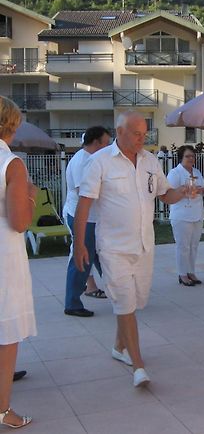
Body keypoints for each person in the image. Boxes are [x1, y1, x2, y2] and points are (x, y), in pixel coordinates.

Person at [73, 111, 185, 387]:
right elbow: (84, 205)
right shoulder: (99, 162)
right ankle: (138, 366)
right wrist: (78, 244)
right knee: (124, 303)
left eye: (144, 134)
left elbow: (164, 193)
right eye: (137, 134)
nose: (141, 139)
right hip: (113, 248)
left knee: (133, 302)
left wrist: (183, 192)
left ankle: (118, 347)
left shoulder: (149, 161)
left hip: (144, 245)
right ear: (119, 132)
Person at [0, 96, 36, 428]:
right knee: (5, 332)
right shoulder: (10, 164)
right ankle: (2, 410)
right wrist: (29, 195)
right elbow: (19, 222)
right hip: (3, 257)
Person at [63, 126, 111, 317]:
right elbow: (86, 194)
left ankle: (118, 292)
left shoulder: (91, 159)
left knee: (102, 256)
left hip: (94, 218)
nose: (108, 147)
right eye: (106, 143)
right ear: (96, 142)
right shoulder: (82, 161)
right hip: (83, 218)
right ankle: (72, 303)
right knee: (82, 258)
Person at [167, 145, 204, 286]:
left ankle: (191, 271)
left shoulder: (196, 172)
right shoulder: (175, 173)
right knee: (183, 246)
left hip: (197, 213)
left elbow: (200, 188)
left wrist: (202, 190)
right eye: (187, 156)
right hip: (181, 214)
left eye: (192, 156)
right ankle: (182, 274)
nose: (191, 158)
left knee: (194, 245)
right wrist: (185, 190)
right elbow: (170, 193)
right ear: (181, 157)